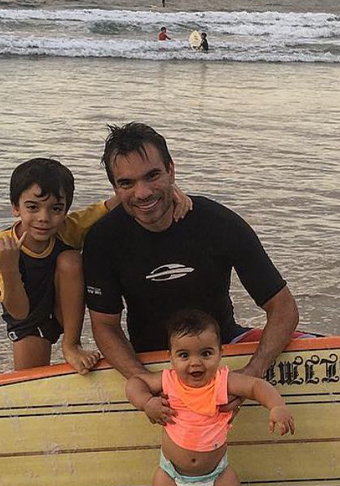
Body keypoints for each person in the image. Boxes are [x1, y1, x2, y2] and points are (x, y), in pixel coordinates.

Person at [83, 122, 300, 398]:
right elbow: (105, 326)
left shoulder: (217, 223)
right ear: (114, 187)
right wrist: (144, 380)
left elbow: (283, 308)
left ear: (171, 170)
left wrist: (252, 373)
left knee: (322, 347)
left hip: (224, 346)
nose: (142, 193)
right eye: (127, 183)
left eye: (152, 176)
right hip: (151, 359)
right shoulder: (103, 240)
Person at [125, 309, 295, 486]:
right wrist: (147, 403)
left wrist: (276, 406)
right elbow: (135, 382)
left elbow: (256, 386)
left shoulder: (224, 382)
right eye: (184, 355)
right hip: (171, 475)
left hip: (217, 474)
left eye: (206, 353)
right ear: (170, 357)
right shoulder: (166, 382)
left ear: (220, 353)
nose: (196, 363)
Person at [0, 157, 191, 374]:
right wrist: (9, 269)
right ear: (16, 207)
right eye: (33, 207)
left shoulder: (67, 229)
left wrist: (171, 189)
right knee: (27, 381)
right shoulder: (3, 246)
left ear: (66, 210)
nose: (44, 218)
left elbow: (115, 203)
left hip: (64, 309)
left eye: (56, 208)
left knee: (70, 258)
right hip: (28, 316)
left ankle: (72, 345)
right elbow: (19, 312)